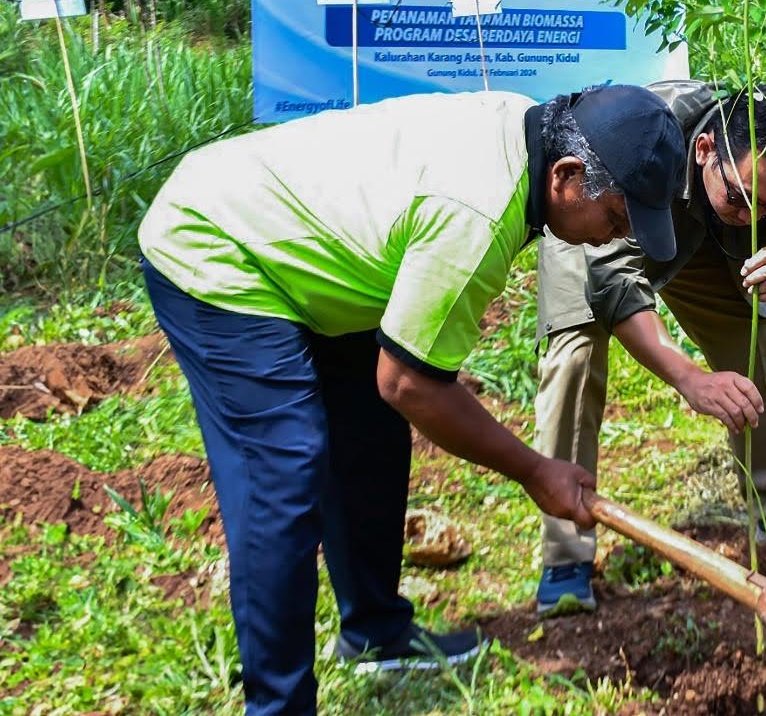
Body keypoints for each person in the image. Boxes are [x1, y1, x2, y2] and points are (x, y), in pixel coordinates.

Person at [137, 85, 686, 715]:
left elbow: (392, 385)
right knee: (281, 474)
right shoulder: (479, 213)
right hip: (218, 241)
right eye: (614, 221)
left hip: (317, 254)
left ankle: (375, 631)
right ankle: (278, 705)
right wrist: (536, 470)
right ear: (565, 178)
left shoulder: (529, 126)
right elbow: (411, 384)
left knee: (369, 430)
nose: (603, 241)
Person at [532, 80, 766, 614]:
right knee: (575, 354)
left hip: (707, 240)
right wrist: (688, 378)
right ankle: (566, 552)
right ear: (706, 150)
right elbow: (613, 281)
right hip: (605, 223)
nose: (757, 217)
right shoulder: (649, 140)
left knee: (757, 337)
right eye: (743, 197)